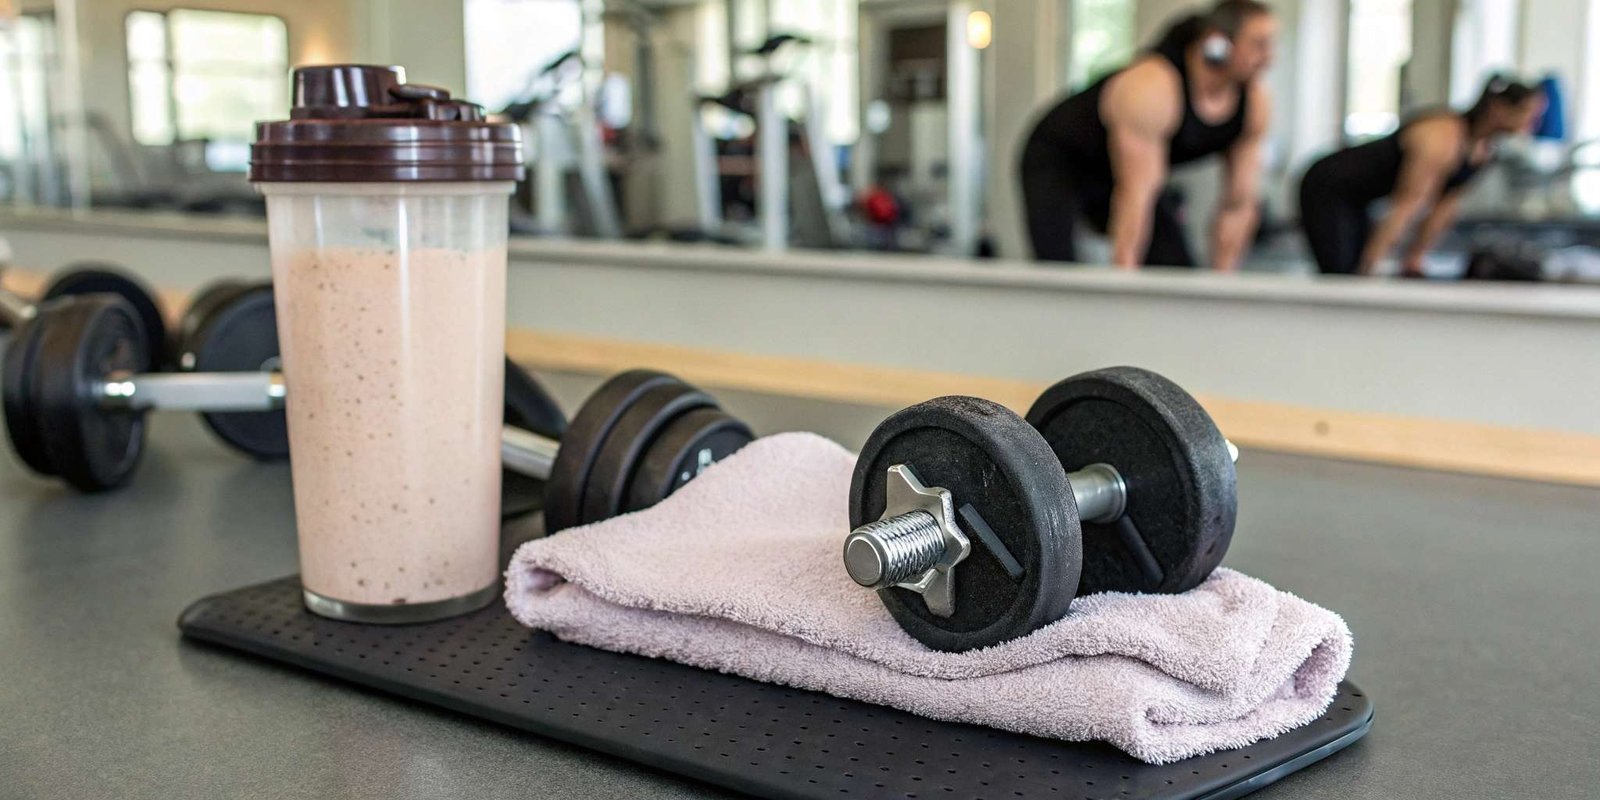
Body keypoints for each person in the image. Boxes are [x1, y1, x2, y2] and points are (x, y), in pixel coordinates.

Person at [1018, 0, 1276, 270]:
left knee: (1176, 269)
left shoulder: (1254, 103)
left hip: (1127, 174)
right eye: (1259, 44)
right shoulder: (1153, 87)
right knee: (1057, 270)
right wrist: (1124, 289)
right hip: (1059, 159)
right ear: (1217, 45)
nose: (1270, 57)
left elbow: (1239, 203)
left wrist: (1223, 292)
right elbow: (1135, 193)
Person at [1298, 75, 1546, 277]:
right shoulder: (1442, 136)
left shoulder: (1483, 150)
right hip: (1328, 185)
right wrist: (1370, 268)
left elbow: (1444, 208)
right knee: (1344, 274)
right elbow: (1407, 203)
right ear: (1498, 108)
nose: (1531, 123)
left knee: (1356, 269)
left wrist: (1414, 259)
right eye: (1526, 113)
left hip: (1361, 198)